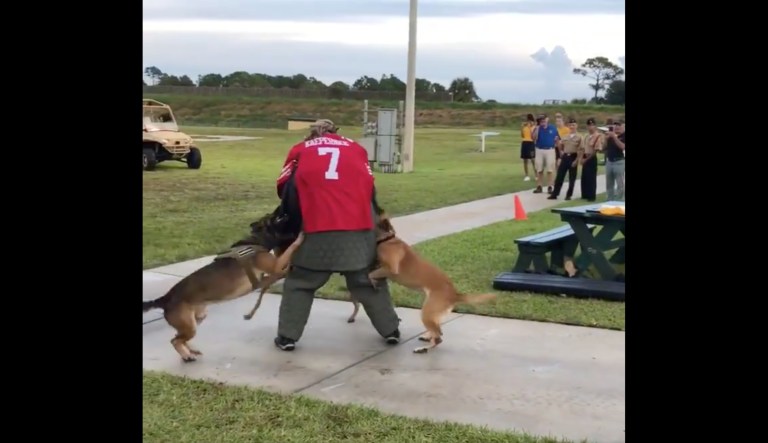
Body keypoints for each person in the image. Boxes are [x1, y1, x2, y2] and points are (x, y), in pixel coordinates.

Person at [273, 119, 402, 351]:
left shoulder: (301, 149)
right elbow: (370, 186)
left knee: (301, 282)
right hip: (360, 228)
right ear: (336, 132)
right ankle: (391, 329)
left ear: (312, 133)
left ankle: (287, 336)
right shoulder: (356, 148)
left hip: (316, 228)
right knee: (367, 279)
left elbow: (284, 187)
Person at [548, 118, 582, 200]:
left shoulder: (579, 137)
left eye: (573, 125)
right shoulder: (565, 136)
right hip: (565, 157)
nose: (572, 126)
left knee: (572, 178)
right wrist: (559, 147)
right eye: (570, 125)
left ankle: (569, 195)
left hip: (573, 156)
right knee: (559, 176)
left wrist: (577, 160)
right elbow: (560, 146)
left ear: (576, 126)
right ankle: (555, 193)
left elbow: (581, 150)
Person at [531, 114, 560, 194]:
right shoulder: (537, 128)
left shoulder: (553, 128)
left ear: (547, 119)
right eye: (541, 120)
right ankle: (539, 186)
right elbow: (533, 138)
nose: (542, 121)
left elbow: (557, 139)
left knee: (550, 169)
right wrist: (537, 128)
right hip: (539, 149)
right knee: (539, 169)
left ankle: (550, 186)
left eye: (544, 119)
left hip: (550, 150)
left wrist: (559, 151)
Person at [580, 118, 602, 202]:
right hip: (585, 156)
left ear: (595, 126)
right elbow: (583, 148)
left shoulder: (597, 136)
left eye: (592, 125)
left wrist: (586, 159)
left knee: (591, 178)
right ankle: (585, 194)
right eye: (589, 125)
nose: (590, 127)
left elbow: (596, 150)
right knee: (584, 177)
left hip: (591, 157)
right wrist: (582, 158)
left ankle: (591, 196)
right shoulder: (586, 136)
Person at [603, 119, 626, 201]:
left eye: (619, 125)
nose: (616, 127)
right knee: (609, 184)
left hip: (619, 162)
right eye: (615, 125)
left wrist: (614, 137)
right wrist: (606, 138)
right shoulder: (610, 135)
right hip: (609, 161)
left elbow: (623, 147)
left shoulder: (623, 135)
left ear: (623, 126)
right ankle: (609, 200)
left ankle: (620, 201)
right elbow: (603, 148)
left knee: (620, 184)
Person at [519, 114, 536, 181]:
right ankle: (526, 175)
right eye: (527, 120)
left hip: (531, 143)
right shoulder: (524, 126)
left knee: (532, 159)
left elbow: (534, 136)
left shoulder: (534, 126)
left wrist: (531, 127)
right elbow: (522, 135)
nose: (528, 121)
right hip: (525, 143)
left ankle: (536, 174)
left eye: (529, 120)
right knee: (525, 160)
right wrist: (522, 127)